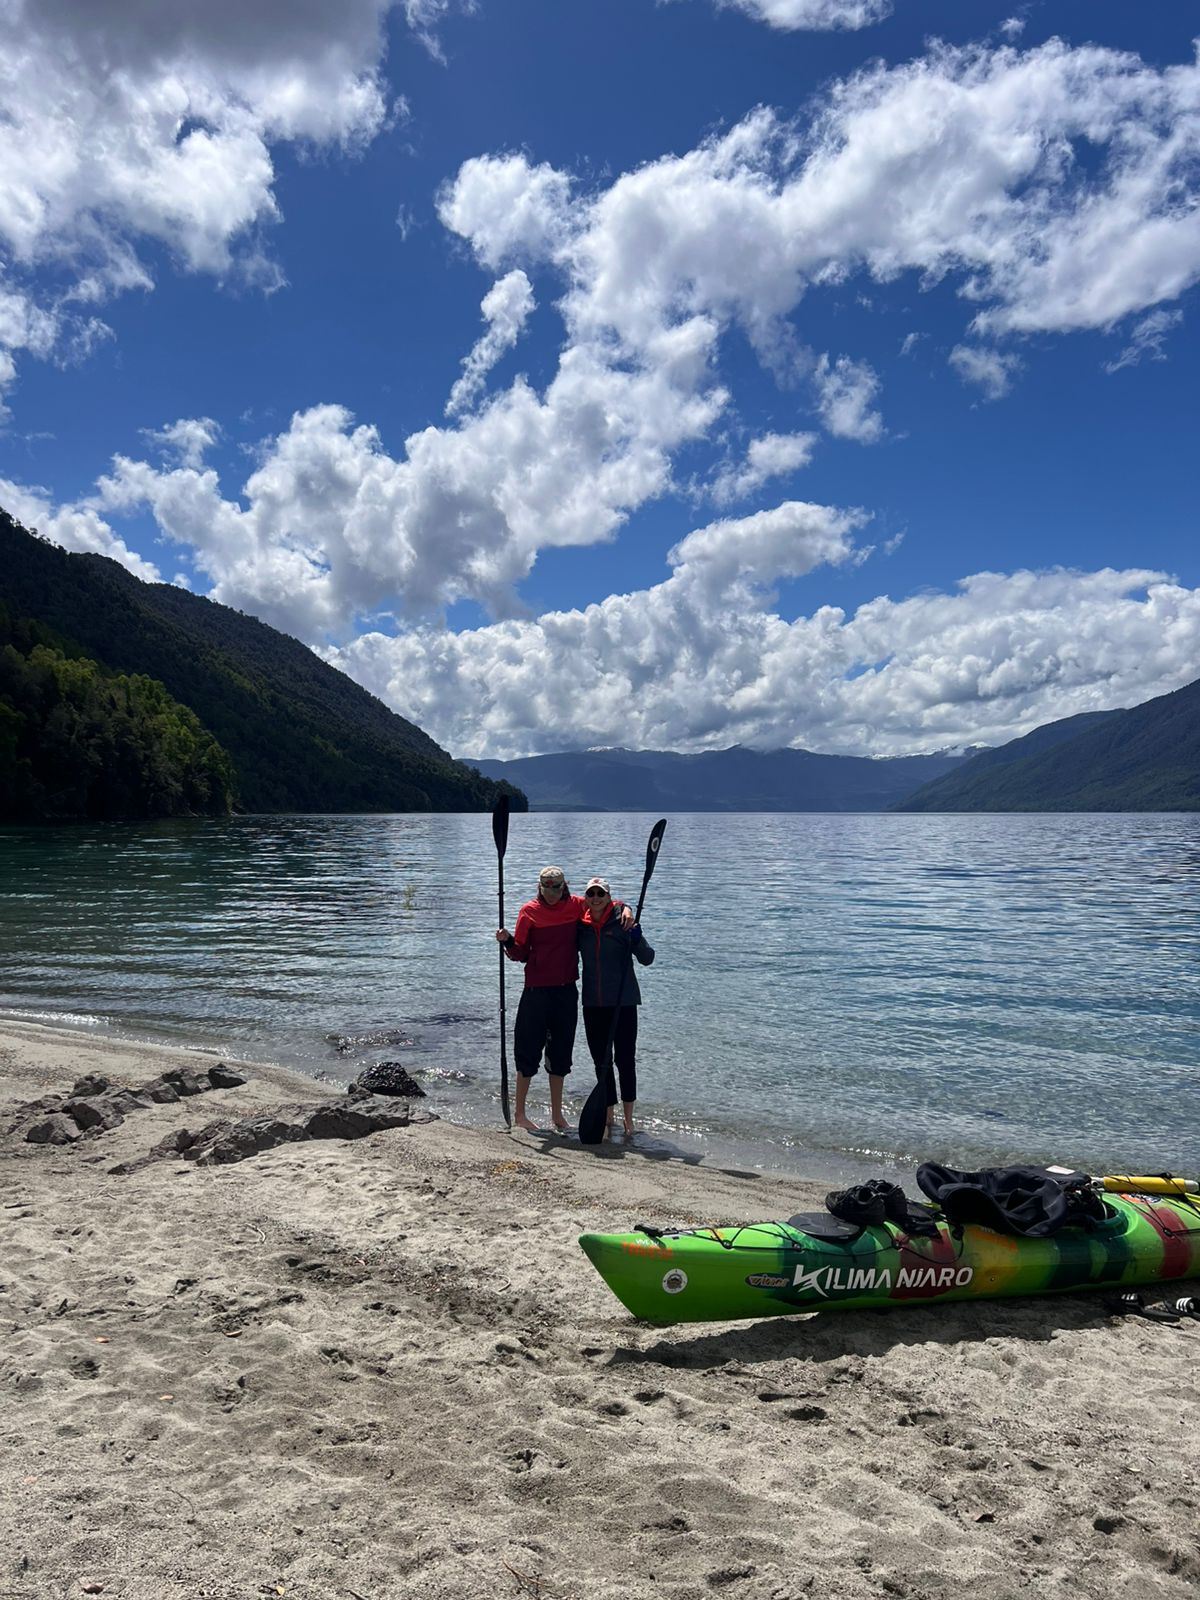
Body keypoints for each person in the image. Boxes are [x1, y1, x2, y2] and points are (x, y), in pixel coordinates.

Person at [496, 865, 631, 1132]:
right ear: (540, 887)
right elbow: (520, 954)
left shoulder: (576, 906)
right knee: (527, 1053)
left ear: (564, 886)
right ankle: (520, 1114)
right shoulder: (528, 911)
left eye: (556, 888)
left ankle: (557, 1115)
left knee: (560, 1057)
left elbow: (602, 903)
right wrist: (508, 941)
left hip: (566, 992)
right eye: (547, 888)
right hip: (535, 992)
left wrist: (625, 908)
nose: (552, 894)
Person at [577, 875, 655, 1137]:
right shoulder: (581, 927)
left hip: (623, 1003)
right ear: (586, 899)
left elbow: (647, 958)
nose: (596, 898)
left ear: (609, 897)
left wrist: (635, 937)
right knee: (601, 1062)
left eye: (601, 894)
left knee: (625, 1060)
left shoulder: (623, 923)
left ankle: (629, 1118)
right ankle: (608, 1111)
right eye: (592, 894)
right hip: (593, 1003)